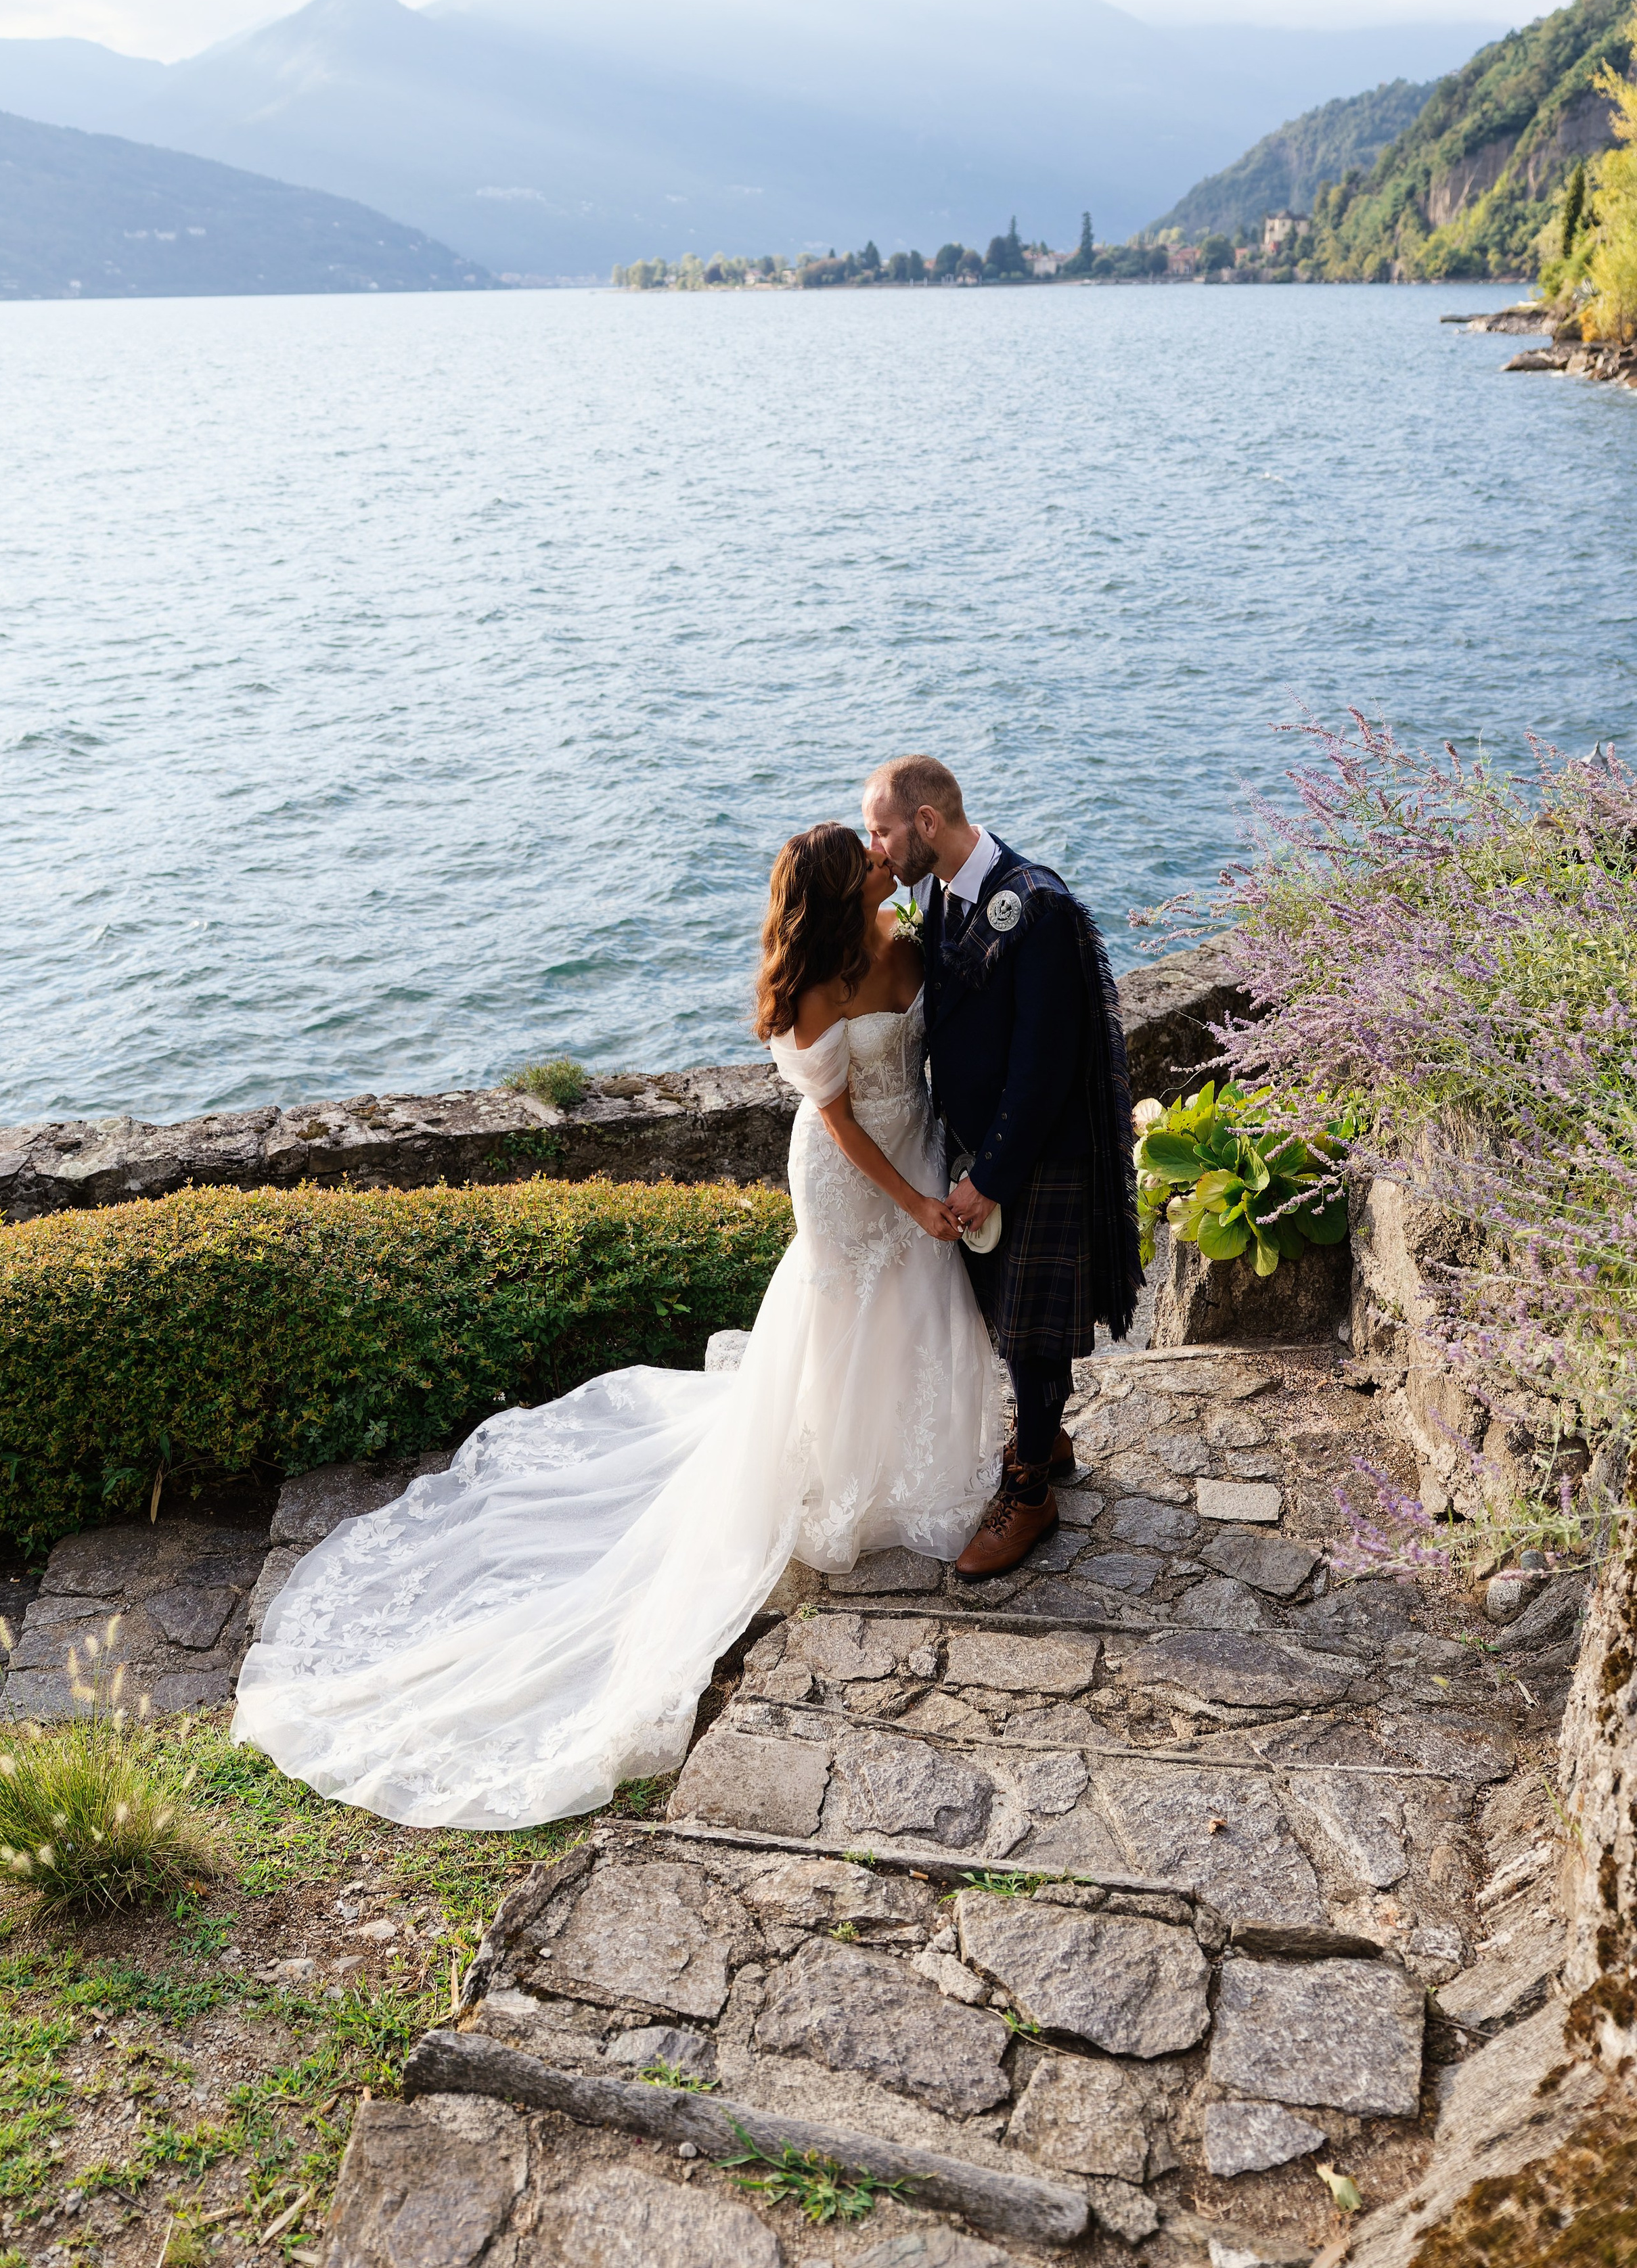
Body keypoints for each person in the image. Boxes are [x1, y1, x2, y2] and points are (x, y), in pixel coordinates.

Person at [230, 819, 1002, 1829]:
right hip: (855, 1180)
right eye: (864, 856)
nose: (882, 861)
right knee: (842, 1317)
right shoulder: (813, 987)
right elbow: (838, 1121)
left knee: (912, 1313)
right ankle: (837, 1478)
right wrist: (909, 1200)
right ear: (833, 888)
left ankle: (907, 1460)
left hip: (924, 1150)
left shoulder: (905, 938)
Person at [861, 756, 1142, 1579]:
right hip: (974, 1144)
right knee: (997, 1310)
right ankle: (1044, 1437)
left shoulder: (1038, 905)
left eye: (880, 829)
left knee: (1028, 1324)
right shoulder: (937, 892)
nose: (872, 846)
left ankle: (1030, 1495)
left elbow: (1045, 1066)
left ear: (925, 824)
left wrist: (990, 1176)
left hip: (1036, 1150)